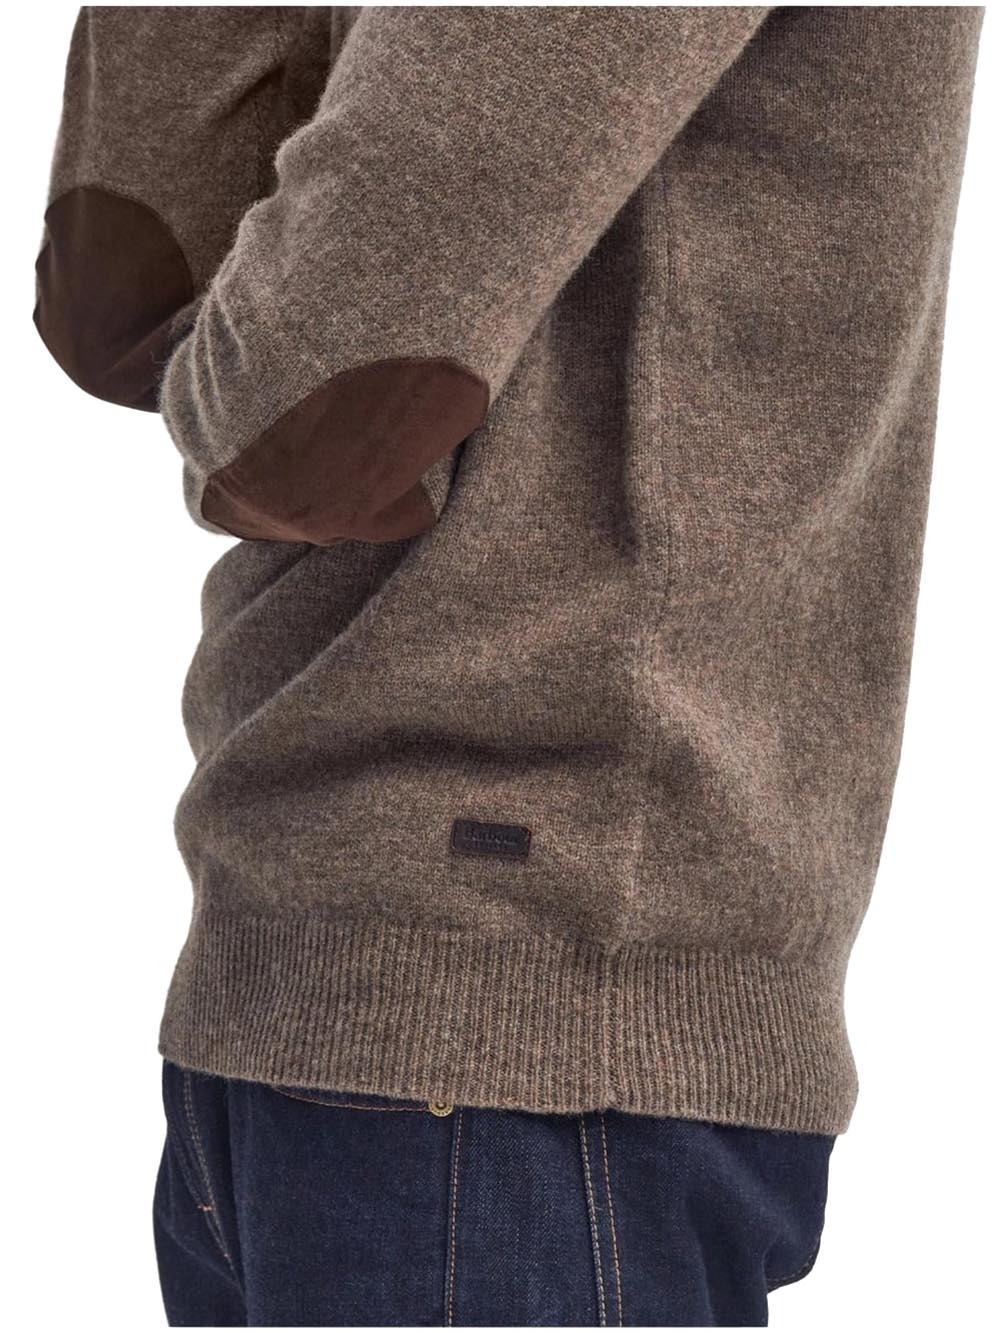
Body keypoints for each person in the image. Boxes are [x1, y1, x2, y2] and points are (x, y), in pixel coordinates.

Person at [32, 6, 983, 1327]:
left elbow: (295, 425)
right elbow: (120, 285)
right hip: (299, 996)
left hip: (532, 1035)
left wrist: (239, 394)